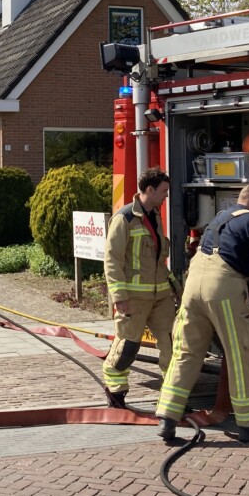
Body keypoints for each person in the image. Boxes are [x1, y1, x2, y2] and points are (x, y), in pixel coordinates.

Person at [155, 184, 249, 445]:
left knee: (186, 352)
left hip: (194, 285)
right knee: (240, 354)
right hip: (223, 289)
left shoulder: (220, 218)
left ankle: (167, 417)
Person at [101, 167, 178, 409]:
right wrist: (119, 296)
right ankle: (116, 390)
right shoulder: (124, 219)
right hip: (133, 299)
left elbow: (158, 258)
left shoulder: (156, 215)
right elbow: (111, 259)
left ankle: (172, 397)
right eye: (164, 191)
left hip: (161, 297)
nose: (167, 195)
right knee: (127, 347)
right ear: (149, 190)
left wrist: (174, 287)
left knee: (172, 345)